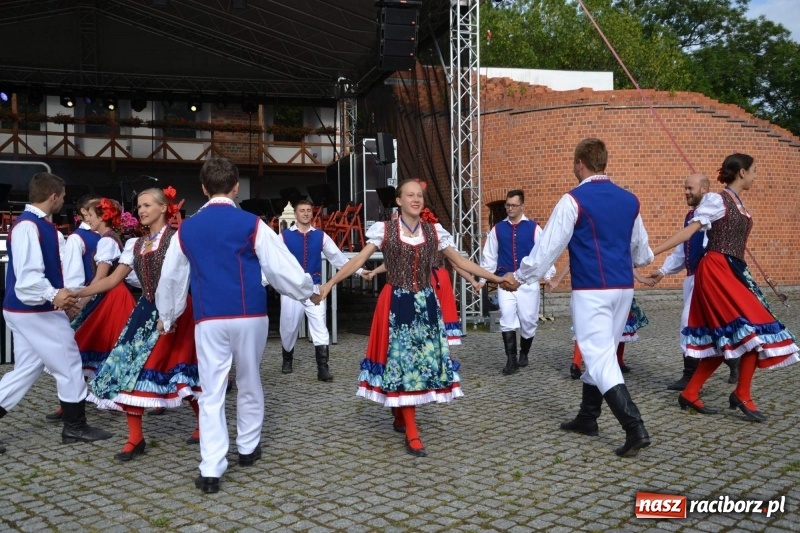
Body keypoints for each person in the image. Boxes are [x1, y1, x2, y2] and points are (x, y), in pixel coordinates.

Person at [314, 179, 510, 457]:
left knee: (420, 362)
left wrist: (495, 278)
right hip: (396, 301)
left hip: (426, 302)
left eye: (419, 195)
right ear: (399, 201)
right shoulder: (385, 230)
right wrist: (329, 284)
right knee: (402, 361)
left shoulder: (434, 231)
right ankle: (411, 429)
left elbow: (460, 261)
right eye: (410, 195)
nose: (416, 199)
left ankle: (400, 412)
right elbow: (357, 261)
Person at [156, 157, 314, 494]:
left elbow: (171, 278)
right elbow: (279, 267)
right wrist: (305, 290)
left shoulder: (186, 229)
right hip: (249, 313)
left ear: (203, 188)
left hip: (209, 316)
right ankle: (247, 447)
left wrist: (168, 315)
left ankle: (211, 468)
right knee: (249, 379)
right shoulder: (252, 223)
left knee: (211, 391)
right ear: (236, 187)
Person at [503, 138, 654, 457]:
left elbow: (548, 247)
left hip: (591, 288)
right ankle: (588, 416)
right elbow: (641, 252)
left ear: (580, 164)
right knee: (603, 351)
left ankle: (634, 427)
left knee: (599, 356)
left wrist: (520, 276)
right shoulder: (630, 200)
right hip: (623, 287)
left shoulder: (574, 199)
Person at [652, 154, 799, 421]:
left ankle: (693, 392)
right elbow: (689, 232)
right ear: (742, 172)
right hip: (716, 269)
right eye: (754, 171)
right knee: (748, 330)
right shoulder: (716, 200)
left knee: (735, 336)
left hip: (733, 268)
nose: (755, 176)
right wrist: (652, 254)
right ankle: (740, 394)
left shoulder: (737, 202)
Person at [75, 187, 201, 461]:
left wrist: (171, 314)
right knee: (129, 368)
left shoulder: (178, 240)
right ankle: (135, 438)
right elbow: (111, 280)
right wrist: (77, 293)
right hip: (145, 312)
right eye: (139, 205)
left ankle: (203, 423)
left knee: (178, 369)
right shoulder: (136, 244)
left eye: (147, 205)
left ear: (163, 208)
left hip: (176, 311)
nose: (141, 210)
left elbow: (186, 278)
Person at [0, 173, 112, 455]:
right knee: (69, 362)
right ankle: (75, 426)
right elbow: (28, 279)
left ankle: (75, 424)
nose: (63, 201)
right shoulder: (30, 227)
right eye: (62, 196)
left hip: (26, 309)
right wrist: (54, 295)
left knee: (27, 368)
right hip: (35, 310)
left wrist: (59, 295)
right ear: (53, 197)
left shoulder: (34, 225)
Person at [45, 198, 137, 420]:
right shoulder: (109, 239)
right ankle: (73, 401)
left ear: (102, 218)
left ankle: (104, 398)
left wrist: (80, 300)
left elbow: (100, 278)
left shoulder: (107, 241)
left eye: (91, 216)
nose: (88, 220)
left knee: (93, 345)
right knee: (87, 345)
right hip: (108, 295)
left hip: (110, 297)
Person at [648, 174, 738, 390]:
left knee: (688, 322)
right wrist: (663, 270)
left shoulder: (712, 214)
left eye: (690, 188)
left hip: (707, 278)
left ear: (704, 189)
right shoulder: (691, 216)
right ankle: (733, 359)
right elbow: (683, 250)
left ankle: (689, 375)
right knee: (708, 325)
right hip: (692, 278)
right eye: (685, 188)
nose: (686, 192)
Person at [279, 198, 369, 380]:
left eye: (308, 210)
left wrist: (359, 271)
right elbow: (273, 260)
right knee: (288, 327)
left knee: (320, 325)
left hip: (315, 288)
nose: (306, 213)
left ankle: (323, 368)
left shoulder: (320, 236)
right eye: (302, 210)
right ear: (295, 214)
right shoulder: (284, 237)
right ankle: (287, 358)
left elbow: (338, 257)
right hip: (291, 288)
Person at [476, 189, 555, 375]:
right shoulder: (497, 229)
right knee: (507, 317)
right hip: (505, 281)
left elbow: (544, 254)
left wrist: (548, 276)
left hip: (528, 281)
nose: (510, 208)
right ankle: (511, 360)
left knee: (529, 321)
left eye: (513, 205)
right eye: (507, 205)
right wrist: (482, 279)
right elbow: (489, 256)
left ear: (522, 206)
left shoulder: (534, 228)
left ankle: (524, 352)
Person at [62, 194, 101, 289]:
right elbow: (73, 279)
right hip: (92, 294)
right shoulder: (76, 238)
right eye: (97, 207)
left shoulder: (106, 233)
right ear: (84, 211)